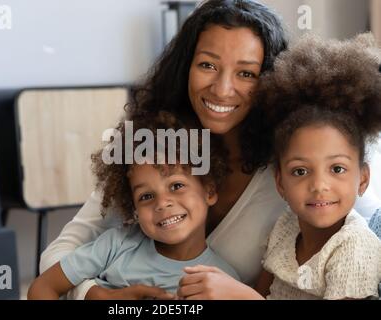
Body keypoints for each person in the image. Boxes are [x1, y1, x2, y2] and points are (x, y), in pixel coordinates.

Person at [40, 0, 381, 300]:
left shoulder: (295, 169)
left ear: (271, 82)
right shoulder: (156, 149)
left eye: (246, 73)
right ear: (185, 68)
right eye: (207, 65)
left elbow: (354, 233)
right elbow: (60, 253)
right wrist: (95, 294)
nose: (222, 88)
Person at [202, 33, 381, 300]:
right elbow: (261, 293)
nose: (319, 186)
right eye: (300, 171)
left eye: (337, 169)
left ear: (363, 179)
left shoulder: (354, 246)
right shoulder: (286, 227)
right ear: (280, 183)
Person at [28, 112, 239, 299]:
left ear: (209, 191)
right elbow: (42, 287)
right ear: (134, 208)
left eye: (176, 186)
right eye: (146, 196)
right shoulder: (116, 244)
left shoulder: (222, 281)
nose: (162, 203)